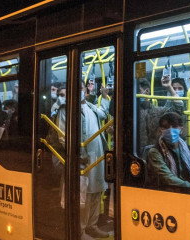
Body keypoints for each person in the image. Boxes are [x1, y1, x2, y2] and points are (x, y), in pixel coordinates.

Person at [79, 83, 110, 240]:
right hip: (84, 157)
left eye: (82, 88)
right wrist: (78, 154)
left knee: (97, 191)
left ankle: (93, 225)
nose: (80, 92)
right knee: (86, 194)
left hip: (97, 155)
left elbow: (103, 114)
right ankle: (81, 230)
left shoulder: (90, 106)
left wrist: (104, 96)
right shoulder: (69, 109)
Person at [147, 112, 190, 188]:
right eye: (166, 127)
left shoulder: (186, 148)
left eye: (174, 126)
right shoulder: (155, 152)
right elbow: (167, 178)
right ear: (161, 131)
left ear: (181, 130)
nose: (170, 130)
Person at [138, 77, 183, 157]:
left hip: (155, 155)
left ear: (147, 91)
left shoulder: (158, 111)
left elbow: (177, 109)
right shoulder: (130, 113)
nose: (135, 95)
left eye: (138, 91)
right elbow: (112, 110)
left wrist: (169, 87)